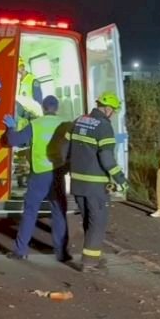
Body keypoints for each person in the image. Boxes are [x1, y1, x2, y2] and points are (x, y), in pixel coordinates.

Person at [60, 91, 128, 272]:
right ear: (107, 109)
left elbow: (64, 149)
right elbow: (106, 157)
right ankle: (89, 263)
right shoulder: (104, 126)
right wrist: (120, 178)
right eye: (113, 110)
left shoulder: (79, 120)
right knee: (98, 222)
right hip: (95, 185)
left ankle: (92, 257)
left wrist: (67, 168)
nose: (113, 114)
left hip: (78, 183)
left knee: (88, 220)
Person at [3, 95, 71, 262]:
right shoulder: (67, 124)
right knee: (59, 213)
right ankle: (62, 253)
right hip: (57, 174)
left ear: (43, 107)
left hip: (39, 174)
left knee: (30, 212)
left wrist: (10, 128)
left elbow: (13, 141)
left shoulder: (35, 124)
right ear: (57, 108)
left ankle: (21, 251)